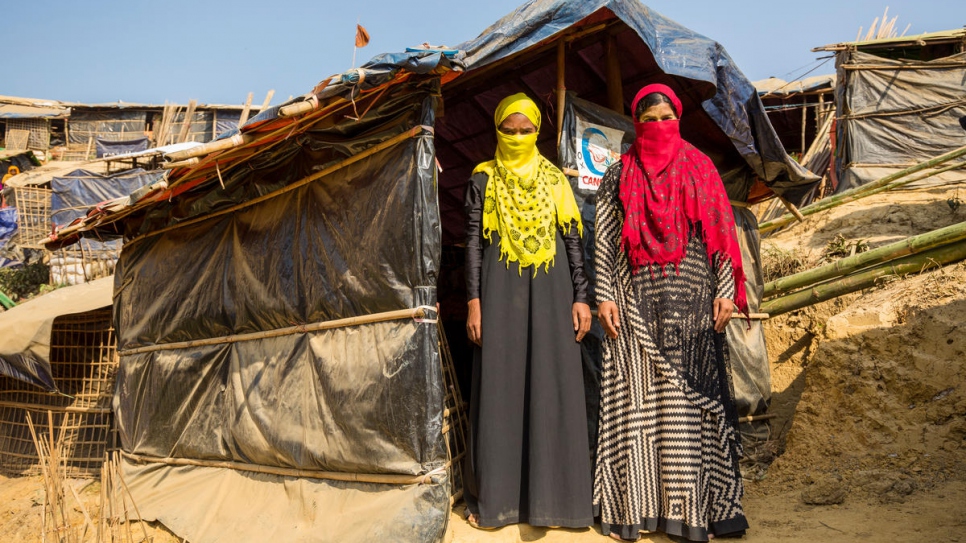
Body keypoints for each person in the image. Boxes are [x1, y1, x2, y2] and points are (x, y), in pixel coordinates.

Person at [592, 84, 749, 542]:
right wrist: (604, 295)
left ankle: (699, 509)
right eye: (650, 120)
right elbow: (602, 240)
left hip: (695, 307)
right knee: (639, 407)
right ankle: (639, 509)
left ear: (677, 120)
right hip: (636, 307)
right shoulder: (618, 174)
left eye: (667, 119)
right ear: (636, 125)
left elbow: (721, 235)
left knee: (689, 408)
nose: (659, 127)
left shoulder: (700, 167)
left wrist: (726, 291)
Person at [462, 93, 594, 530]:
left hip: (553, 291)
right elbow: (474, 246)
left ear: (538, 132)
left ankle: (556, 503)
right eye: (509, 130)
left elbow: (574, 240)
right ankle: (498, 502)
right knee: (501, 387)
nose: (517, 138)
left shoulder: (556, 180)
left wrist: (581, 296)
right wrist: (474, 301)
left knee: (551, 384)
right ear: (497, 130)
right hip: (500, 292)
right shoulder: (483, 179)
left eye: (526, 130)